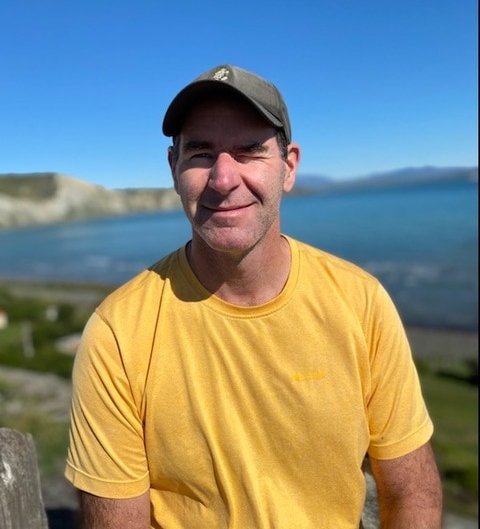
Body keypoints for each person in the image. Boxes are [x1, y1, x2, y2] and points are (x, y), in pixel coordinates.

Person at [65, 64, 443, 528]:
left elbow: (412, 491)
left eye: (249, 151)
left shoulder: (360, 302)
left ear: (289, 167)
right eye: (201, 153)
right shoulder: (118, 334)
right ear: (174, 168)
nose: (223, 179)